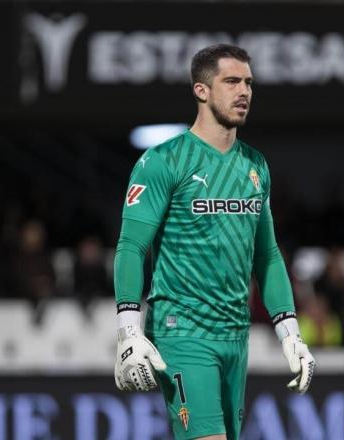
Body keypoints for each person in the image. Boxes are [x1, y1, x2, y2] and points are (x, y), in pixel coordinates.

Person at [112, 44, 315, 440]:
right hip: (182, 330)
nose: (245, 92)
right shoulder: (163, 161)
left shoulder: (255, 166)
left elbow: (267, 255)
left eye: (249, 83)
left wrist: (291, 333)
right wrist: (128, 330)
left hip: (235, 334)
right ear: (201, 90)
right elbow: (130, 247)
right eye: (232, 81)